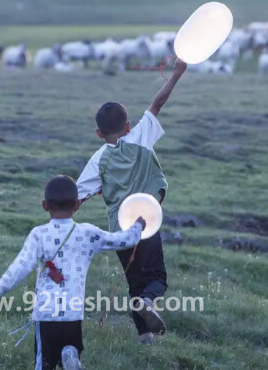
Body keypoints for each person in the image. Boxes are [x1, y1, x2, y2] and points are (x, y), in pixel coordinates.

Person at [0, 175, 146, 370]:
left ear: (44, 205)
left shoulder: (39, 235)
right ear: (76, 205)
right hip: (72, 315)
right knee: (71, 353)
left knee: (45, 364)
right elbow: (122, 240)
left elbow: (19, 268)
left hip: (46, 316)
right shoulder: (87, 233)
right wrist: (138, 227)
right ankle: (71, 359)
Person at [76, 60, 187, 344]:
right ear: (127, 126)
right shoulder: (139, 138)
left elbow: (75, 198)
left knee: (134, 282)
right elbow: (157, 103)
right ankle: (148, 302)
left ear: (99, 134)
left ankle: (145, 339)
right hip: (145, 224)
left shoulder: (97, 159)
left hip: (118, 231)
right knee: (156, 278)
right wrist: (176, 74)